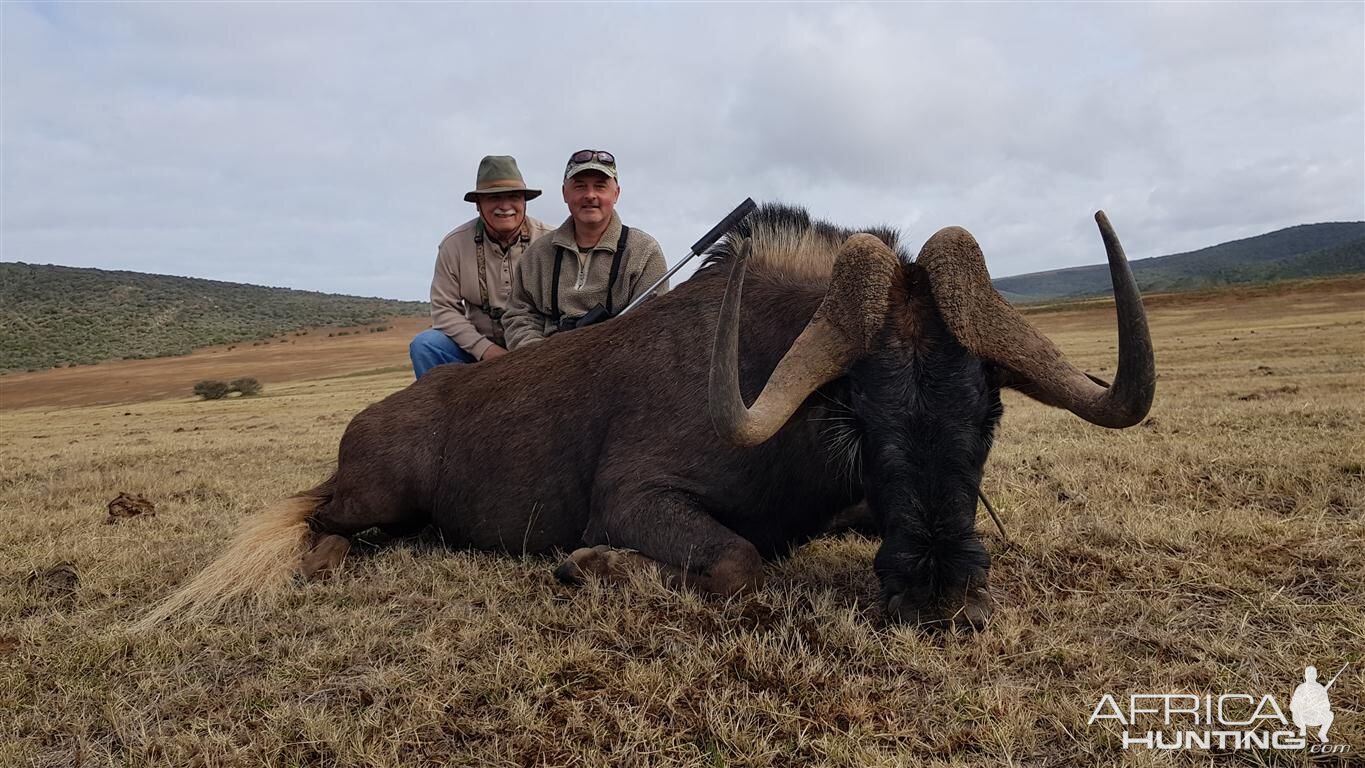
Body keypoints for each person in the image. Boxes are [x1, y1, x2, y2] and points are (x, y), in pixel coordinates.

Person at [502, 149, 668, 350]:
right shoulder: (537, 254)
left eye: (600, 187)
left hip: (615, 365)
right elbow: (519, 315)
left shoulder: (644, 252)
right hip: (546, 364)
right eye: (580, 187)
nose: (590, 195)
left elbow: (652, 327)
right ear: (564, 193)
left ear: (616, 193)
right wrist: (536, 356)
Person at [409, 155, 553, 377]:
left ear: (524, 201)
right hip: (477, 353)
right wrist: (487, 351)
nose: (505, 206)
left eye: (513, 196)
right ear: (478, 204)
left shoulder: (551, 241)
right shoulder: (454, 245)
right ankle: (444, 412)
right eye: (494, 197)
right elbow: (444, 311)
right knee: (426, 345)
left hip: (538, 350)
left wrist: (533, 354)